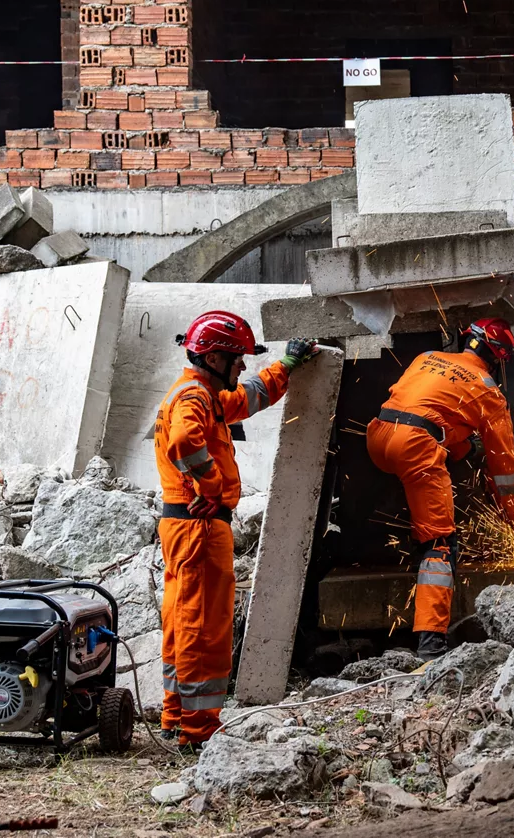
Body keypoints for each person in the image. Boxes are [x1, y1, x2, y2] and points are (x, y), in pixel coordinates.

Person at [153, 310, 318, 750]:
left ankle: (175, 715)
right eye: (237, 358)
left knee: (182, 619)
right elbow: (185, 443)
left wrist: (288, 364)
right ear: (213, 357)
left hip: (186, 527)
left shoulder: (203, 393)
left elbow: (250, 398)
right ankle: (198, 729)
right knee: (203, 625)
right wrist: (211, 485)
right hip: (199, 528)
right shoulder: (193, 399)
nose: (244, 366)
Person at [366, 319, 514, 660]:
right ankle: (431, 645)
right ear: (498, 358)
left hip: (378, 436)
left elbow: (423, 411)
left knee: (448, 439)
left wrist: (465, 449)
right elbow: (505, 466)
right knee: (439, 543)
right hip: (414, 448)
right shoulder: (488, 390)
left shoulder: (427, 356)